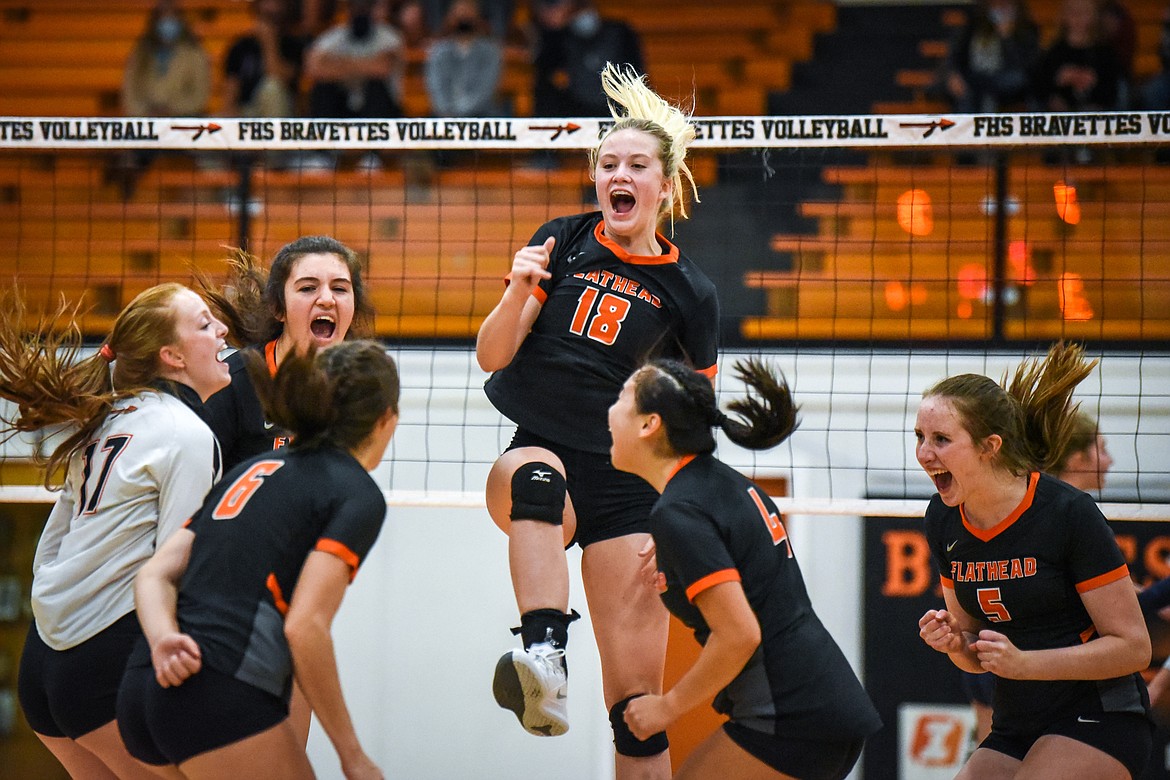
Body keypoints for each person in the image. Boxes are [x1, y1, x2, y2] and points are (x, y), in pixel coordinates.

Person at [477, 62, 719, 778]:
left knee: (638, 711)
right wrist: (518, 290)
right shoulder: (562, 239)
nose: (620, 173)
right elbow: (493, 356)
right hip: (541, 451)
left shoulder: (691, 292)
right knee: (539, 484)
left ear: (664, 188)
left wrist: (683, 516)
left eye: (637, 165)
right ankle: (545, 654)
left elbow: (696, 418)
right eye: (608, 163)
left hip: (628, 487)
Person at [116, 340, 398, 779]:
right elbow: (306, 627)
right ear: (387, 420)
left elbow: (154, 574)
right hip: (218, 691)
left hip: (143, 687)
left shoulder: (250, 469)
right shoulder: (356, 493)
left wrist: (163, 639)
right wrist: (352, 754)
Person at [609, 358, 882, 780]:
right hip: (823, 703)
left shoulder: (679, 510)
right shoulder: (723, 484)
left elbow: (739, 634)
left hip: (790, 715)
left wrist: (667, 707)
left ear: (649, 424)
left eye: (622, 398)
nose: (610, 410)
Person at [0, 283, 230, 779]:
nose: (223, 330)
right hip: (105, 666)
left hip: (42, 661)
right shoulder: (187, 434)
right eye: (205, 324)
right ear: (172, 356)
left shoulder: (108, 420)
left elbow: (53, 543)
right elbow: (176, 572)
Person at [916, 342, 1153, 779]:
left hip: (1099, 715)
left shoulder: (1067, 513)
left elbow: (1135, 648)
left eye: (942, 439)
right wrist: (954, 644)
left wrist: (1026, 664)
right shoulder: (942, 519)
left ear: (990, 446)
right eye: (920, 437)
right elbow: (974, 650)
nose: (924, 453)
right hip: (1018, 722)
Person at [957, 405, 1116, 745]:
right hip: (1006, 660)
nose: (1110, 460)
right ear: (1075, 459)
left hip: (1026, 664)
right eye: (1101, 448)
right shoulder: (1062, 513)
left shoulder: (1066, 511)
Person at [198, 236, 373, 473]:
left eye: (340, 288)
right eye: (308, 288)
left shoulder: (360, 386)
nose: (326, 299)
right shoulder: (232, 382)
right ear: (278, 308)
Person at [530, 0, 645, 118]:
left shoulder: (619, 33)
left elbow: (635, 78)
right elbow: (548, 87)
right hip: (573, 118)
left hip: (616, 116)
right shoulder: (555, 41)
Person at [940, 0, 1040, 113]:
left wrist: (1007, 39)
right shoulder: (974, 25)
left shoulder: (1027, 29)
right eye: (996, 3)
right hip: (976, 78)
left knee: (1006, 82)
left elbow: (1026, 66)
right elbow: (957, 54)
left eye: (1005, 4)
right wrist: (954, 73)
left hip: (1007, 79)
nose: (1000, 6)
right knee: (966, 89)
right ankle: (967, 127)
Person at [1030, 0, 1127, 113]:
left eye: (1083, 12)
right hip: (1060, 120)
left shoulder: (1105, 53)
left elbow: (1113, 89)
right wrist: (1057, 84)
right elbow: (1038, 88)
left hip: (1098, 119)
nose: (1077, 17)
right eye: (1072, 11)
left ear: (1094, 16)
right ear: (1063, 16)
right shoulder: (1053, 53)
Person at [222, 0, 307, 119]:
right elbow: (230, 100)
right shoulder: (240, 47)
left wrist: (269, 43)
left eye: (277, 3)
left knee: (272, 88)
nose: (272, 8)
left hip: (283, 113)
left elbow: (279, 77)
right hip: (248, 113)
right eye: (267, 2)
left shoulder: (294, 46)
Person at [424, 0, 504, 118]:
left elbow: (485, 90)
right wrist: (448, 113)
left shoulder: (491, 52)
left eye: (468, 12)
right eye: (460, 13)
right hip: (445, 117)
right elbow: (436, 88)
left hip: (481, 116)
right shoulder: (438, 53)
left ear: (478, 17)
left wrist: (460, 114)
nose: (464, 17)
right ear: (450, 17)